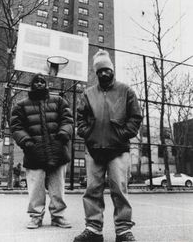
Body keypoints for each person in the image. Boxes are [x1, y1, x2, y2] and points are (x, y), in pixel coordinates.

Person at [73, 50, 143, 242]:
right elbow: (80, 119)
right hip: (94, 149)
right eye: (100, 71)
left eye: (107, 70)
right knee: (92, 190)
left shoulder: (126, 91)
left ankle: (123, 231)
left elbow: (135, 117)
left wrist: (121, 135)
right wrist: (89, 136)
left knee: (119, 190)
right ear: (96, 73)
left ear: (112, 70)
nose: (104, 73)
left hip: (118, 149)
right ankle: (93, 229)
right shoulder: (88, 94)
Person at [10, 73, 74, 229]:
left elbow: (68, 120)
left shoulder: (59, 101)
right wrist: (27, 142)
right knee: (35, 188)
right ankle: (36, 216)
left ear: (47, 85)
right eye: (36, 82)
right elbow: (16, 127)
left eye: (42, 81)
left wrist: (63, 135)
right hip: (34, 152)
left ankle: (58, 216)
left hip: (57, 150)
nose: (39, 84)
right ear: (32, 85)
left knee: (57, 187)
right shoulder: (21, 105)